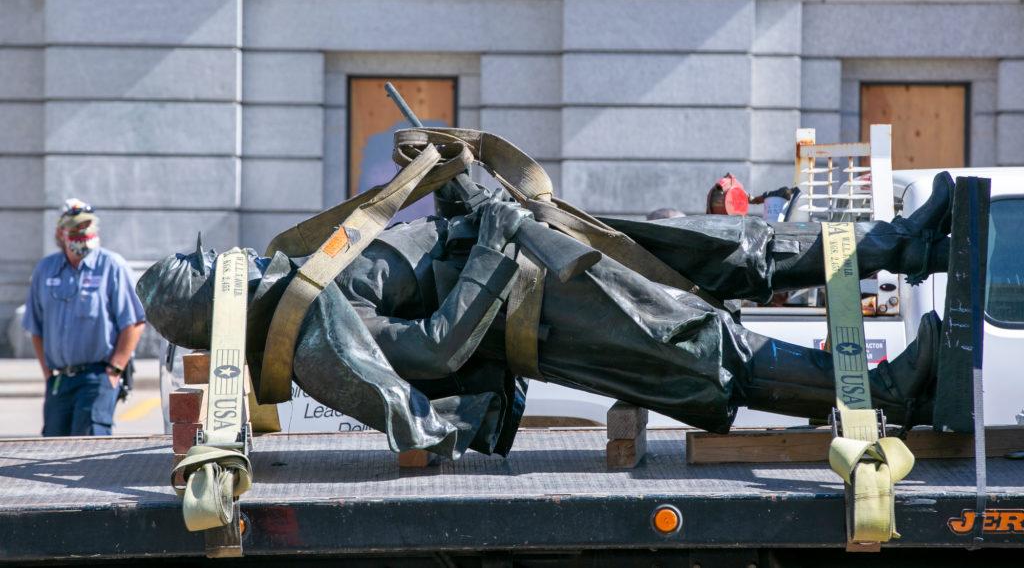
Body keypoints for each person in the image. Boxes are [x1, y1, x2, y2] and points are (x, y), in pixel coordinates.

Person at [138, 173, 954, 460]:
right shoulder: (310, 334)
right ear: (216, 301)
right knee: (701, 349)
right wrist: (492, 244)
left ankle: (899, 245)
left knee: (701, 241)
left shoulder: (301, 266)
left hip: (526, 246)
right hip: (539, 305)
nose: (229, 259)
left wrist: (457, 184)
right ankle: (888, 394)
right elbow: (428, 353)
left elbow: (414, 255)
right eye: (211, 269)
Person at [24, 199, 146, 436]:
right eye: (77, 228)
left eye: (88, 227)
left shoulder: (112, 266)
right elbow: (35, 328)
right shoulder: (45, 269)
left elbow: (134, 322)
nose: (84, 233)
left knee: (89, 442)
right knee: (51, 446)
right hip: (60, 380)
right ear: (61, 233)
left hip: (97, 375)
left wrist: (114, 371)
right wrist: (48, 375)